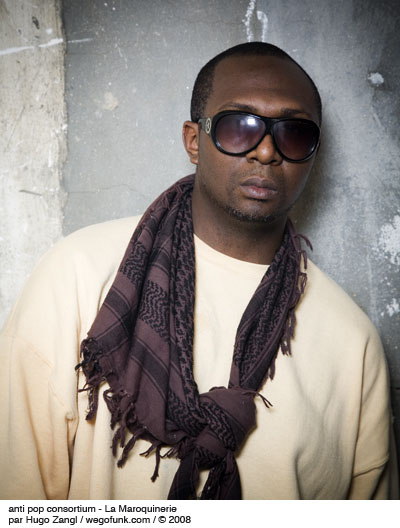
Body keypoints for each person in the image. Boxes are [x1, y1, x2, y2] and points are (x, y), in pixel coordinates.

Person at [0, 42, 397, 500]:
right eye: (238, 126)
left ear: (313, 154)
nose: (266, 151)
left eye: (293, 134)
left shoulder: (353, 342)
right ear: (194, 140)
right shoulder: (77, 276)